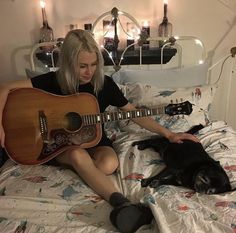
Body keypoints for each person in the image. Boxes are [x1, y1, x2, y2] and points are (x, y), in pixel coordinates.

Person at [0, 29, 199, 233]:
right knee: (77, 154)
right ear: (68, 63)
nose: (89, 71)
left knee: (109, 164)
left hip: (94, 142)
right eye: (83, 66)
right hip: (58, 145)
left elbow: (133, 113)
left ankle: (84, 169)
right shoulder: (53, 81)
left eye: (94, 64)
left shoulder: (104, 85)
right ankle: (121, 203)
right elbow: (4, 88)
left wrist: (169, 134)